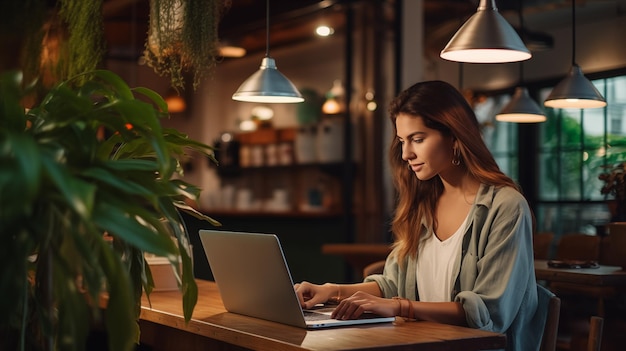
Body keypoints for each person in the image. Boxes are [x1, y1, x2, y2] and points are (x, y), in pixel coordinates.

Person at [295, 80, 544, 351]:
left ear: (454, 135)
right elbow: (392, 284)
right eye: (402, 141)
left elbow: (488, 313)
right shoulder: (422, 204)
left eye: (418, 139)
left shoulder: (505, 206)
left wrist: (400, 307)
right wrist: (331, 290)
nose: (406, 154)